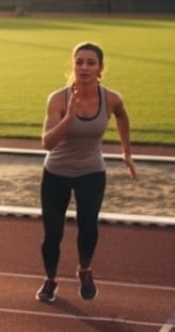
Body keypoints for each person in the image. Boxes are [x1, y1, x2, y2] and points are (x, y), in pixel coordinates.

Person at [36, 42, 135, 302]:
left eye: (91, 63)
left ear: (100, 68)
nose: (84, 67)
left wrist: (126, 152)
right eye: (79, 62)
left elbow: (122, 117)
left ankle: (85, 270)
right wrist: (68, 119)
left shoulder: (111, 99)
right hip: (56, 172)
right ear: (73, 65)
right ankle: (50, 279)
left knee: (88, 226)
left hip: (91, 171)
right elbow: (47, 143)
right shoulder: (58, 99)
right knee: (52, 234)